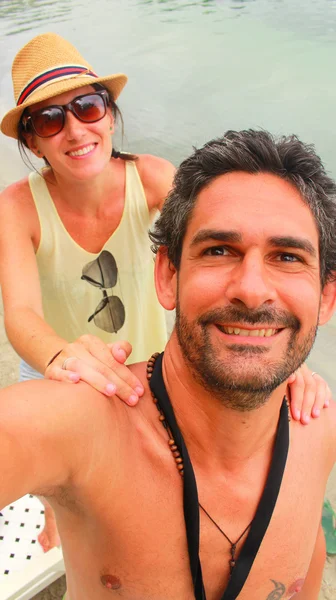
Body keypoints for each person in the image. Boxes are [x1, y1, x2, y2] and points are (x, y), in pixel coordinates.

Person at [0, 34, 331, 553]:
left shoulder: (153, 180)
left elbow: (223, 253)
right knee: (60, 466)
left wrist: (275, 343)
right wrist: (60, 354)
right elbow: (19, 312)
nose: (75, 130)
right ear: (32, 142)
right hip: (63, 355)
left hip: (147, 349)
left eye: (87, 107)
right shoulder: (16, 209)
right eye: (48, 119)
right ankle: (56, 514)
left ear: (110, 116)